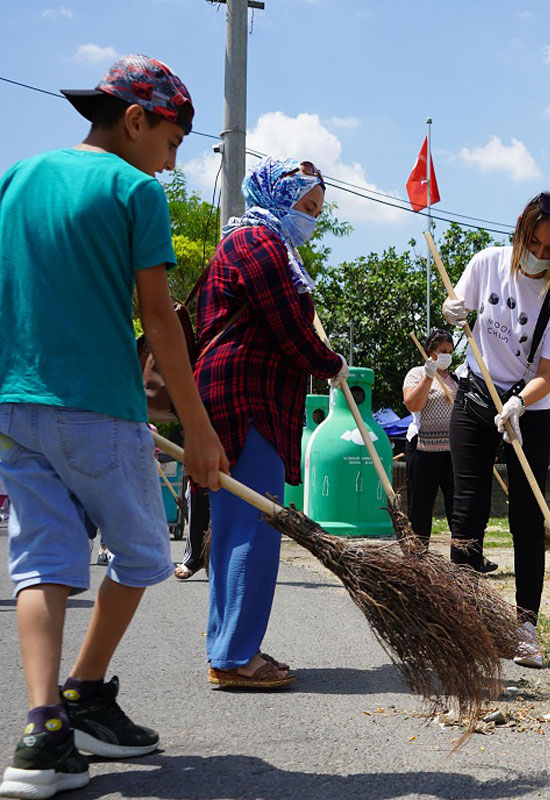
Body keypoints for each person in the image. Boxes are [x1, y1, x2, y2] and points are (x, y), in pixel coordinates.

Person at [0, 55, 227, 798]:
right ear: (136, 120)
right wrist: (197, 429)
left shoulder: (16, 179)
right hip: (100, 408)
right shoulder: (134, 190)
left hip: (15, 407)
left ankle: (41, 734)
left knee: (44, 560)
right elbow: (159, 318)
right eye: (172, 142)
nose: (170, 162)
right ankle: (85, 691)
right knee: (139, 557)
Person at [194, 157, 347, 690]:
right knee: (254, 528)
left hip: (237, 397)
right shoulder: (259, 243)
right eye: (305, 206)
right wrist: (332, 365)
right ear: (277, 195)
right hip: (246, 397)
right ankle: (236, 656)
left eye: (317, 211)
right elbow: (288, 327)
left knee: (237, 525)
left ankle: (229, 647)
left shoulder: (260, 242)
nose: (311, 218)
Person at [442, 192, 550, 669]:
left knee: (526, 518)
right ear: (521, 231)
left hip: (529, 411)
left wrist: (520, 403)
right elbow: (455, 305)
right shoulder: (487, 263)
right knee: (468, 510)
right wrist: (453, 311)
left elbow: (549, 373)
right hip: (475, 397)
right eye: (534, 244)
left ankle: (525, 627)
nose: (539, 256)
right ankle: (462, 619)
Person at [402, 329, 461, 547]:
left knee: (458, 506)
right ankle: (417, 556)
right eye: (442, 351)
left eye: (450, 351)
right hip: (423, 450)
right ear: (430, 352)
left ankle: (465, 554)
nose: (447, 355)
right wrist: (428, 376)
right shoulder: (416, 374)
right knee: (420, 506)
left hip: (453, 452)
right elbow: (413, 404)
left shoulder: (456, 378)